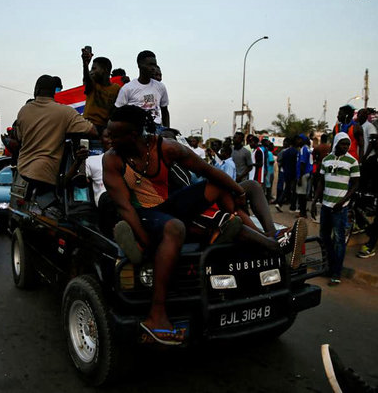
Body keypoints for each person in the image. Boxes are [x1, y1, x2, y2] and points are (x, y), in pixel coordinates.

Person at [103, 105, 307, 345]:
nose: (110, 139)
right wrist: (146, 243)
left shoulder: (166, 148)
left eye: (116, 135)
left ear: (134, 134)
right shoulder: (112, 160)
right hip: (144, 212)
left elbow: (207, 170)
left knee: (219, 186)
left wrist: (238, 190)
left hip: (169, 204)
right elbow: (125, 207)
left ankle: (270, 242)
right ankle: (156, 316)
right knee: (175, 227)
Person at [15, 74, 97, 200]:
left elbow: (20, 138)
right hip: (46, 177)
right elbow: (92, 131)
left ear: (36, 90)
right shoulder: (65, 112)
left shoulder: (23, 111)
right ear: (54, 92)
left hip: (23, 174)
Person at [311, 132, 360, 286]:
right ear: (336, 143)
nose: (345, 147)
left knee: (339, 240)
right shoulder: (326, 160)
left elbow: (355, 184)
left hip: (340, 207)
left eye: (347, 144)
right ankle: (329, 266)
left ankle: (336, 272)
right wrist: (314, 201)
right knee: (324, 237)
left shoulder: (352, 161)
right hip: (326, 205)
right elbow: (321, 183)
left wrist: (344, 200)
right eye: (342, 144)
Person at [114, 50, 170, 128]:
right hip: (135, 128)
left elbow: (165, 111)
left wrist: (167, 130)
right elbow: (117, 112)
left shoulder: (160, 87)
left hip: (156, 128)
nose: (153, 68)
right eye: (150, 65)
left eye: (154, 65)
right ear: (140, 65)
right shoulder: (127, 88)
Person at [81, 48, 121, 134]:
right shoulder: (93, 83)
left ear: (105, 70)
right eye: (91, 69)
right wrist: (85, 64)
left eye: (94, 69)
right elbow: (87, 79)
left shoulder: (116, 89)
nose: (91, 72)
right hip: (88, 125)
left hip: (105, 128)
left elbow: (115, 110)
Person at [275, 136, 298, 212]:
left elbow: (281, 162)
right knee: (294, 190)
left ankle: (279, 202)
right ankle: (293, 207)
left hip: (286, 172)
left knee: (287, 189)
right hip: (293, 173)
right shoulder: (296, 152)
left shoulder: (285, 152)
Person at [295, 134, 313, 218]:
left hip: (303, 173)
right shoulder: (307, 149)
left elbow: (302, 163)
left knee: (301, 195)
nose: (297, 141)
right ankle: (303, 212)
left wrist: (299, 177)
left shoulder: (303, 149)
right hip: (308, 173)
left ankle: (302, 213)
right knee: (303, 194)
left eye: (299, 139)